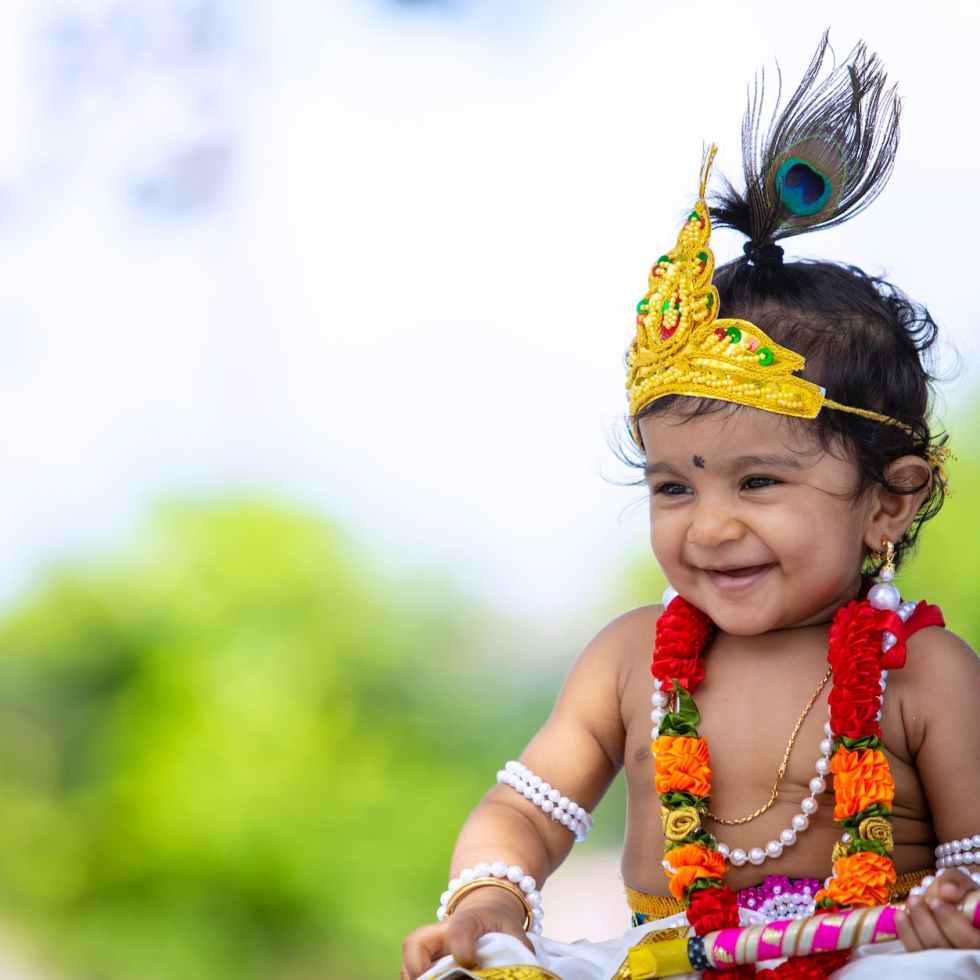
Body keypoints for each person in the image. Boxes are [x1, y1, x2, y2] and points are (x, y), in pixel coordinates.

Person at [401, 35, 980, 980]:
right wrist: (490, 893)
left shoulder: (927, 673)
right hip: (666, 959)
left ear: (889, 500)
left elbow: (974, 867)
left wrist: (949, 916)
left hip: (862, 958)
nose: (708, 526)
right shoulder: (631, 659)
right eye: (674, 486)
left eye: (757, 482)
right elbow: (524, 810)